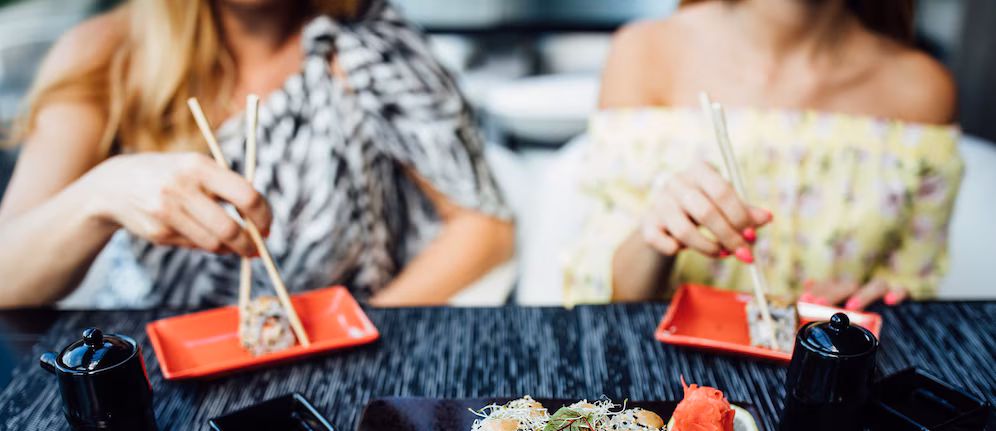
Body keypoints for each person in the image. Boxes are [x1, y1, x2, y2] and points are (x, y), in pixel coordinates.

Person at [0, 0, 515, 308]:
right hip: (159, 380)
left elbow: (485, 227)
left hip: (333, 369)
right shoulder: (104, 53)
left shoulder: (369, 42)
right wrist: (102, 193)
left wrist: (357, 328)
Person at [564, 0, 963, 309]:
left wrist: (880, 306)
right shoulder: (643, 54)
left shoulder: (924, 92)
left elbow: (915, 292)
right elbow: (602, 301)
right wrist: (658, 233)